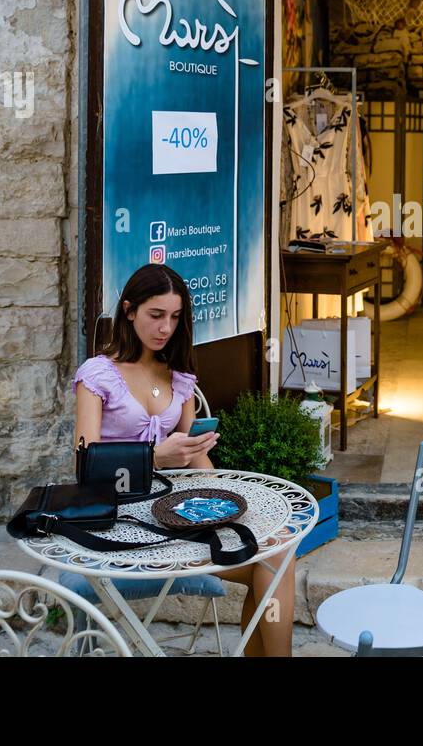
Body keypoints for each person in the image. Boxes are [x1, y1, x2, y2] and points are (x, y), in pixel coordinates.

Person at [71, 263, 296, 656]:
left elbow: (196, 462)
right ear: (129, 311)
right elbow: (85, 462)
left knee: (275, 557)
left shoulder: (178, 376)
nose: (165, 328)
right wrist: (155, 455)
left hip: (176, 512)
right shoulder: (98, 374)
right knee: (270, 564)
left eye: (174, 318)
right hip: (119, 521)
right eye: (156, 315)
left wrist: (222, 500)